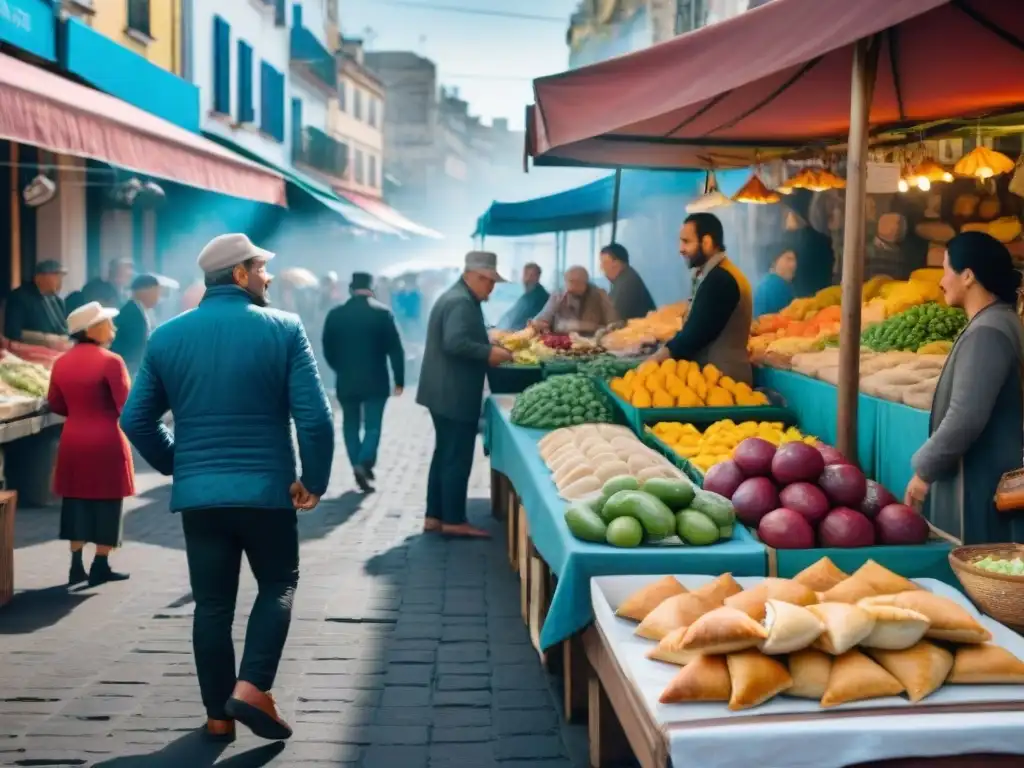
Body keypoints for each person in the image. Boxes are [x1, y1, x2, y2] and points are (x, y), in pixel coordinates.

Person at [120, 233, 334, 743]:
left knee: (212, 604)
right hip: (266, 492)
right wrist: (314, 480)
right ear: (239, 274)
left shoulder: (168, 336)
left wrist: (181, 463)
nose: (269, 276)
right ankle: (253, 686)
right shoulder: (284, 328)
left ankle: (219, 716)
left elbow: (135, 419)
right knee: (278, 583)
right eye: (262, 268)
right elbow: (316, 419)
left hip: (202, 497)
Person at [904, 232, 1024, 544]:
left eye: (946, 270)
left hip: (982, 484)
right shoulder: (999, 321)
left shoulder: (988, 332)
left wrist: (923, 471)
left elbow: (965, 417)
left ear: (968, 276)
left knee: (978, 570)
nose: (942, 281)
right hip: (991, 476)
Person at [417, 251, 513, 538]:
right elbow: (455, 341)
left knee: (444, 453)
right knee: (456, 456)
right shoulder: (460, 301)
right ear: (474, 276)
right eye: (489, 281)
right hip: (453, 393)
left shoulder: (459, 297)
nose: (492, 288)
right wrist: (490, 352)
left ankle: (435, 515)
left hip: (442, 391)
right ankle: (454, 519)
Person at [48, 301, 134, 587]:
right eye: (107, 323)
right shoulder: (111, 361)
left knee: (75, 501)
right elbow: (127, 405)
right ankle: (100, 564)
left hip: (73, 439)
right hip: (106, 439)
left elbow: (56, 403)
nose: (113, 328)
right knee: (107, 502)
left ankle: (75, 565)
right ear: (94, 329)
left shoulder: (61, 362)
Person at [322, 272, 405, 493]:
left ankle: (356, 464)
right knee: (373, 425)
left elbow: (327, 349)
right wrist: (399, 379)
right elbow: (396, 349)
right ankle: (365, 460)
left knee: (350, 425)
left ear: (350, 289)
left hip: (346, 380)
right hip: (376, 380)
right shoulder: (383, 314)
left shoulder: (336, 315)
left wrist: (339, 368)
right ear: (372, 289)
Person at [649, 213, 753, 384]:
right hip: (715, 379)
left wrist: (659, 356)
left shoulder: (721, 279)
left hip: (726, 383)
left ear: (707, 242)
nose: (680, 249)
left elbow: (696, 332)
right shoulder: (712, 274)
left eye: (686, 242)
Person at [531, 266, 619, 335]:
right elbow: (542, 318)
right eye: (569, 281)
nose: (570, 287)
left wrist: (596, 327)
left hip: (594, 343)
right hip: (564, 344)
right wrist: (539, 324)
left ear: (585, 282)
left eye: (576, 282)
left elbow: (613, 323)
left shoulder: (599, 295)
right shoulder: (559, 295)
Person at [779, 189, 835, 298]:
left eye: (786, 212)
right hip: (819, 304)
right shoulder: (823, 241)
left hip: (793, 306)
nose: (784, 217)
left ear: (794, 214)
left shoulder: (785, 244)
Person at [110, 274, 162, 377]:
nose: (158, 297)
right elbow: (134, 347)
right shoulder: (130, 313)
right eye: (156, 292)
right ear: (144, 292)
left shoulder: (144, 311)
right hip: (130, 369)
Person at [4, 260, 68, 341]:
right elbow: (13, 334)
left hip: (62, 350)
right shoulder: (19, 297)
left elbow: (65, 331)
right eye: (55, 276)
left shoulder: (58, 301)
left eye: (61, 277)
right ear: (38, 278)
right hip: (34, 351)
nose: (59, 281)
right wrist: (46, 340)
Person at [600, 243, 656, 321]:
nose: (601, 267)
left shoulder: (626, 284)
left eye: (604, 263)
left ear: (616, 263)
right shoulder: (626, 277)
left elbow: (611, 321)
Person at [66, 258, 134, 314]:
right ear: (113, 272)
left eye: (129, 276)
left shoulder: (125, 294)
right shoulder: (96, 287)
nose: (127, 279)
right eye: (125, 274)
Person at [497, 262, 549, 331]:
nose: (527, 279)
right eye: (526, 275)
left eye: (532, 275)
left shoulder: (539, 297)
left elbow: (513, 323)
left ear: (538, 277)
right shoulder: (528, 296)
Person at [753, 250, 797, 317]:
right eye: (788, 259)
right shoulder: (770, 286)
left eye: (794, 260)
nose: (794, 264)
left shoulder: (764, 284)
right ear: (774, 262)